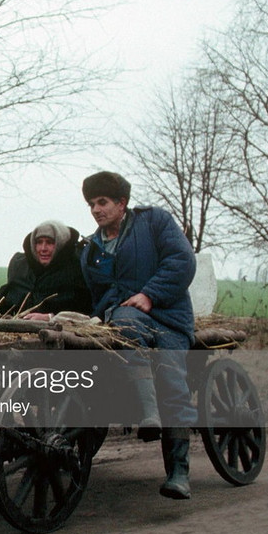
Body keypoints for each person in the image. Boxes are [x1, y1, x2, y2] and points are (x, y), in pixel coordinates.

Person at [79, 171, 197, 500]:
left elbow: (182, 260)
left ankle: (178, 472)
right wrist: (93, 318)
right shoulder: (92, 249)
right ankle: (149, 413)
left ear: (122, 203)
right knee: (125, 323)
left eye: (102, 202)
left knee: (172, 379)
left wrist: (150, 294)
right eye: (91, 204)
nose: (96, 210)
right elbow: (100, 295)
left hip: (169, 318)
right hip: (125, 320)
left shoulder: (154, 222)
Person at [0, 220, 92, 320]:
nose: (43, 248)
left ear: (60, 243)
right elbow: (3, 306)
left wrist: (50, 317)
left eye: (50, 242)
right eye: (39, 242)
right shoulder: (19, 266)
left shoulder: (77, 268)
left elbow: (84, 311)